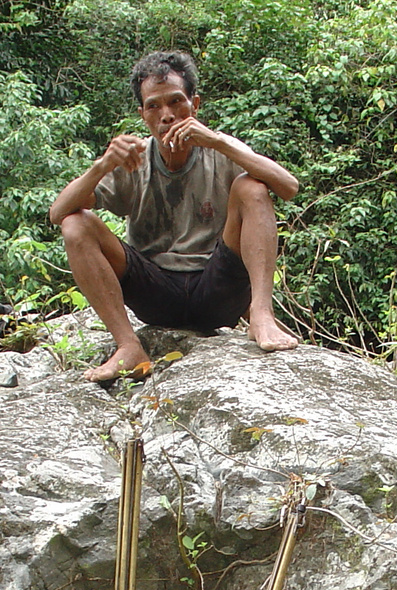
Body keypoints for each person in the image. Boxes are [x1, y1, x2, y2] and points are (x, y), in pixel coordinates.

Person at [49, 51, 300, 382]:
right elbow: (58, 213)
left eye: (176, 102)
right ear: (142, 114)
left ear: (194, 105)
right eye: (153, 106)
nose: (166, 115)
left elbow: (289, 187)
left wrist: (219, 141)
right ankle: (129, 347)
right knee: (75, 223)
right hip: (156, 291)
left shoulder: (219, 150)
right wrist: (103, 165)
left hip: (217, 289)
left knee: (252, 187)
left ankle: (262, 315)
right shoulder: (134, 158)